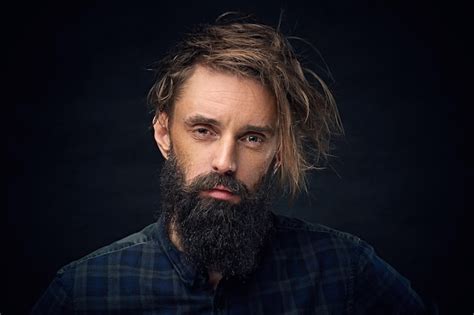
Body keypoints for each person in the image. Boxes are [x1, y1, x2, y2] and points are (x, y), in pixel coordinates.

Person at [32, 13, 427, 314]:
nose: (225, 162)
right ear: (164, 134)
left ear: (279, 152)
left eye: (253, 138)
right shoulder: (84, 291)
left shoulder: (344, 272)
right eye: (203, 130)